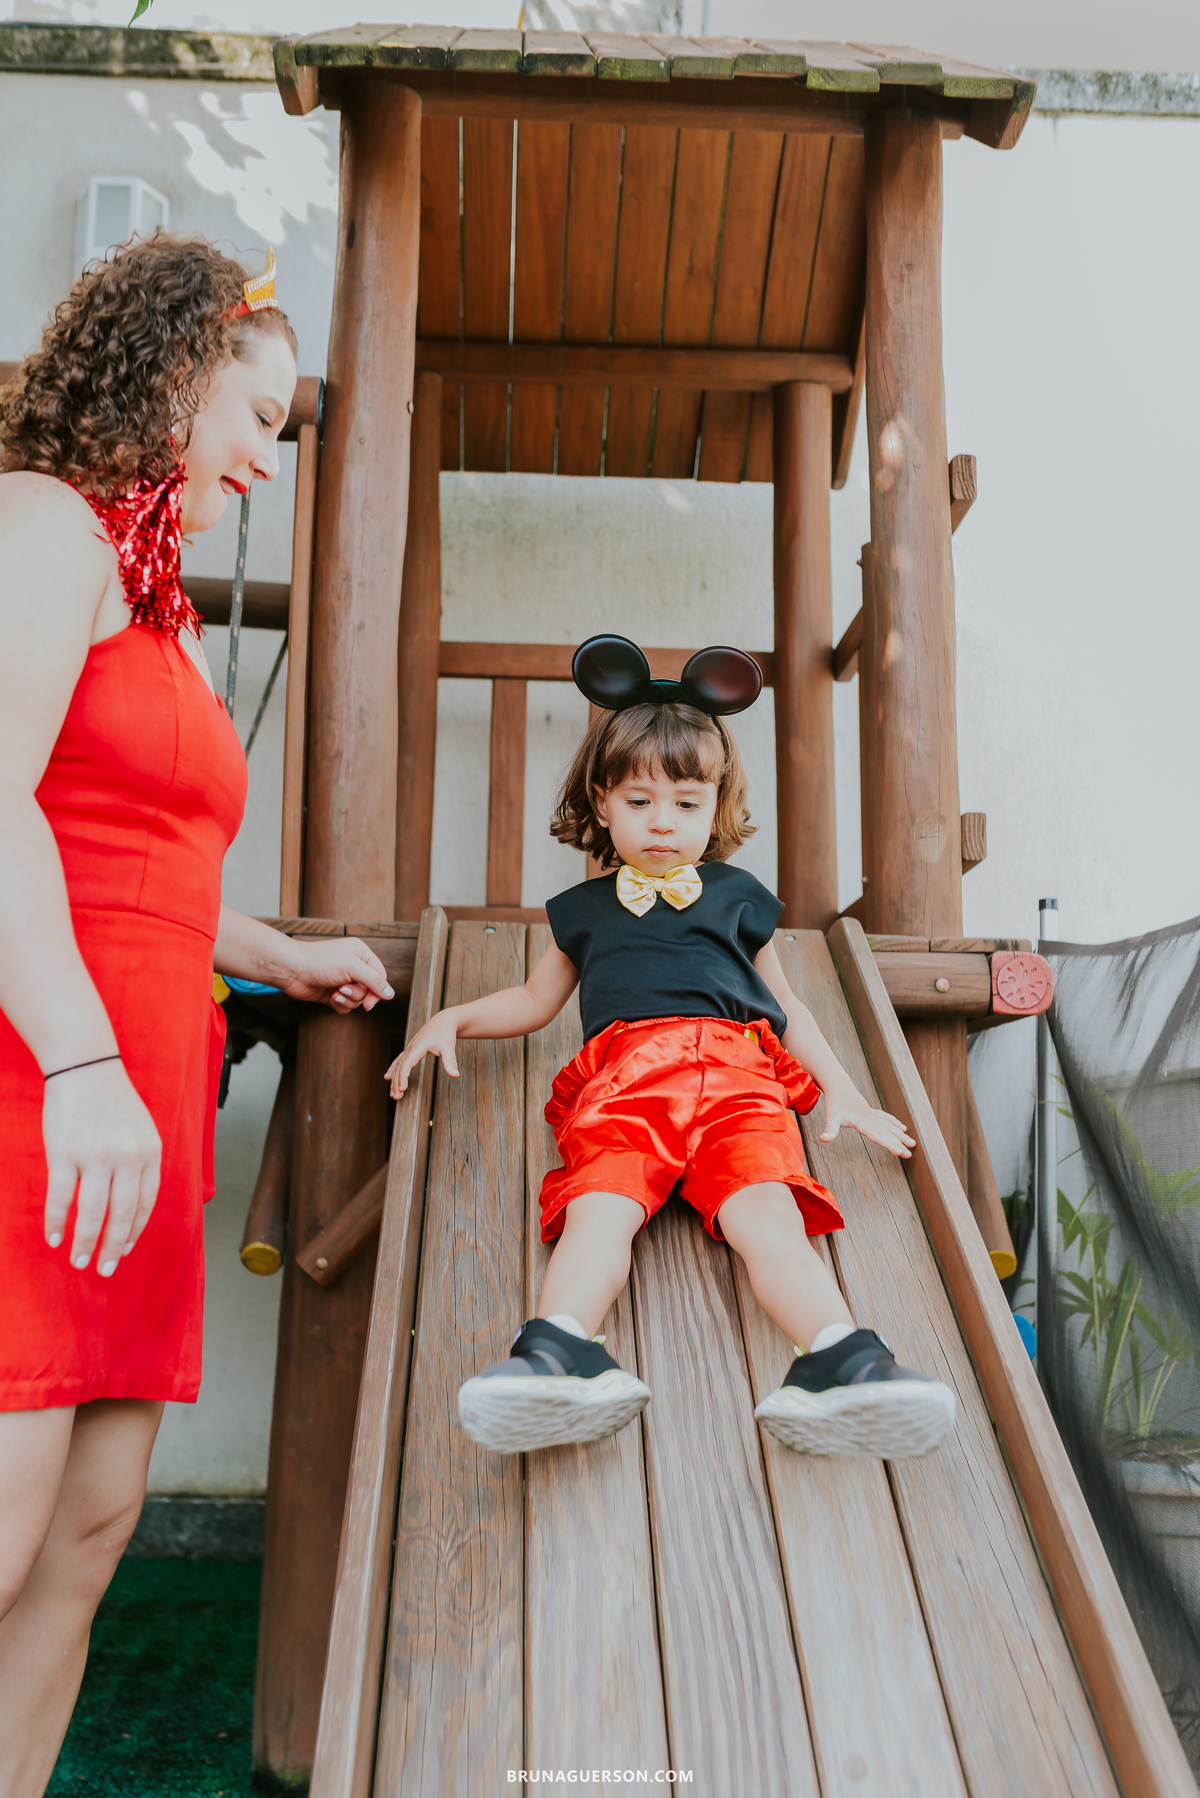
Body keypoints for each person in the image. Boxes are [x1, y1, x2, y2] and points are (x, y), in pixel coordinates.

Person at [0, 235, 393, 1797]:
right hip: (50, 1075)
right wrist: (82, 1061)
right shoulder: (42, 524)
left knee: (88, 1537)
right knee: (13, 1493)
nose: (267, 460)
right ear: (173, 377)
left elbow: (139, 861)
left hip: (142, 1098)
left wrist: (282, 957)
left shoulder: (149, 602)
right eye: (259, 419)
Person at [388, 635, 956, 1462]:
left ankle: (840, 1357)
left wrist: (844, 1091)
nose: (663, 823)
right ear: (602, 800)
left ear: (716, 804)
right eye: (641, 802)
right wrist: (452, 1019)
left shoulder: (737, 897)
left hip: (739, 1078)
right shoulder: (583, 909)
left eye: (687, 805)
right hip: (625, 1083)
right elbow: (535, 1000)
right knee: (601, 1206)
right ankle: (556, 1352)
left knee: (766, 1212)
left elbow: (787, 1003)